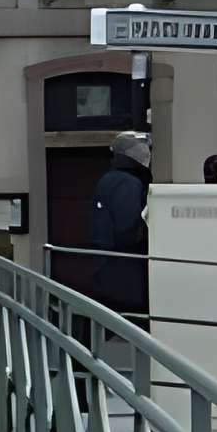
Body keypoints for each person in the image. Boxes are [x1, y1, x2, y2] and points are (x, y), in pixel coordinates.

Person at [87, 131, 152, 314]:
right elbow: (128, 229)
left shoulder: (112, 179)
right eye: (144, 150)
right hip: (125, 268)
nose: (147, 154)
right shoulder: (129, 183)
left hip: (110, 265)